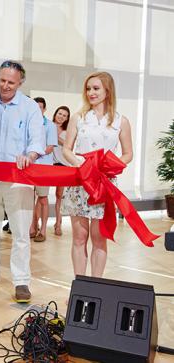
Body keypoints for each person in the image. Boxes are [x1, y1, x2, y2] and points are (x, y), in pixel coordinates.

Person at [0, 60, 45, 303]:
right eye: (2, 80)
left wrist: (31, 155)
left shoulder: (30, 108)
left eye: (11, 82)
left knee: (21, 232)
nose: (5, 85)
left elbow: (37, 141)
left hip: (19, 178)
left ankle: (21, 282)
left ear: (20, 82)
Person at [61, 71, 133, 278]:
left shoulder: (121, 121)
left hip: (104, 184)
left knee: (99, 238)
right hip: (79, 183)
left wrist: (110, 166)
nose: (90, 92)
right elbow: (67, 149)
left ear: (107, 90)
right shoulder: (78, 118)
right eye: (88, 88)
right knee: (79, 237)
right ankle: (80, 287)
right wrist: (80, 164)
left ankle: (95, 289)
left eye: (95, 88)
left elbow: (128, 154)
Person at [29, 97, 57, 242]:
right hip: (29, 166)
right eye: (35, 106)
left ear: (44, 109)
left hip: (43, 167)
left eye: (40, 107)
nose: (38, 109)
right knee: (29, 197)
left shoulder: (50, 125)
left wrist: (34, 154)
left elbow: (50, 147)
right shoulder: (29, 122)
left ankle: (43, 230)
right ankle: (33, 227)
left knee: (43, 198)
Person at [51, 106, 71, 236]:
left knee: (59, 195)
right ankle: (35, 224)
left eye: (64, 115)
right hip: (48, 164)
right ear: (55, 114)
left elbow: (69, 146)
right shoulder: (48, 126)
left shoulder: (67, 131)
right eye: (60, 114)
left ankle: (58, 223)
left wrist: (56, 138)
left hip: (62, 165)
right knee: (41, 196)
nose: (61, 117)